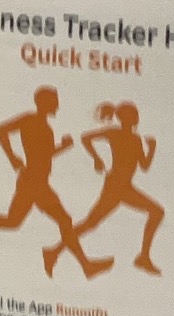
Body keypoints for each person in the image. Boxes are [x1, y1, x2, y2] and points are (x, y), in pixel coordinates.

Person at [0, 86, 113, 279]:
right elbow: (0, 130)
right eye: (54, 101)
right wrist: (12, 157)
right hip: (34, 181)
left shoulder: (44, 126)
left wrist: (62, 147)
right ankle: (82, 265)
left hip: (36, 181)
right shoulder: (29, 120)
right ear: (44, 103)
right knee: (60, 220)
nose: (57, 105)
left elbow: (42, 156)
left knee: (13, 221)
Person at [44, 101, 163, 277]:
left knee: (155, 212)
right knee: (90, 223)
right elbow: (85, 138)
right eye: (132, 115)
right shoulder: (114, 133)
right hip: (115, 187)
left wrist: (152, 149)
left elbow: (144, 166)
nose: (135, 118)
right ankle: (53, 252)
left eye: (135, 115)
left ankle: (143, 257)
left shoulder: (136, 139)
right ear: (124, 118)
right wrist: (96, 158)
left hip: (125, 187)